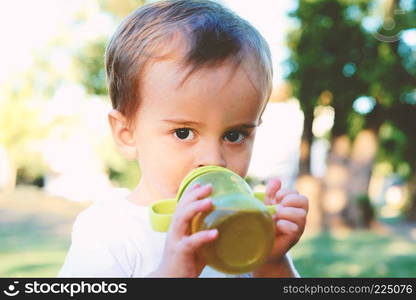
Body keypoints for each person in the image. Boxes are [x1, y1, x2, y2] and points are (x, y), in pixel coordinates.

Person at [58, 0, 308, 278]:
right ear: (126, 134)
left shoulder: (242, 224)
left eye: (234, 135)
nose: (213, 159)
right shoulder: (108, 230)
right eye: (183, 133)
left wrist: (272, 262)